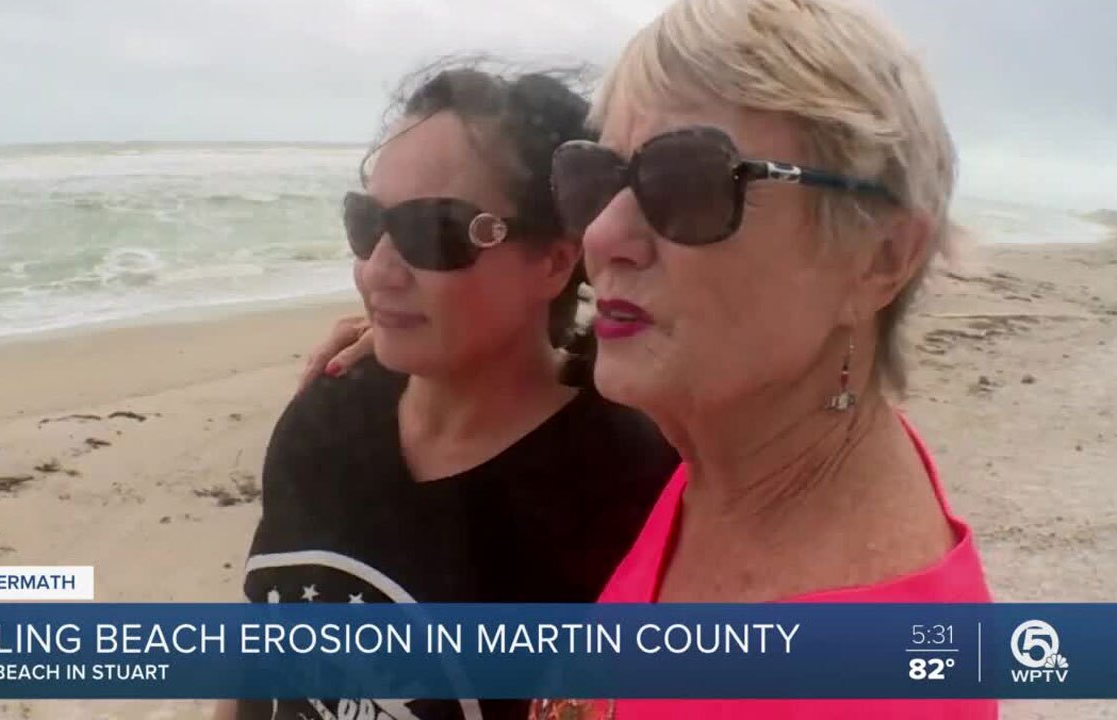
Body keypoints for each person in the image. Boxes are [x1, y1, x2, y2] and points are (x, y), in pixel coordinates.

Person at [309, 1, 996, 717]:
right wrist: (421, 334)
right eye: (598, 179)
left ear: (880, 256)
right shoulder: (735, 455)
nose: (604, 234)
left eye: (688, 186)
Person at [219, 61, 678, 720]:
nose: (377, 270)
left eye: (432, 232)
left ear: (554, 259)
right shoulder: (329, 412)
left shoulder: (624, 492)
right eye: (367, 225)